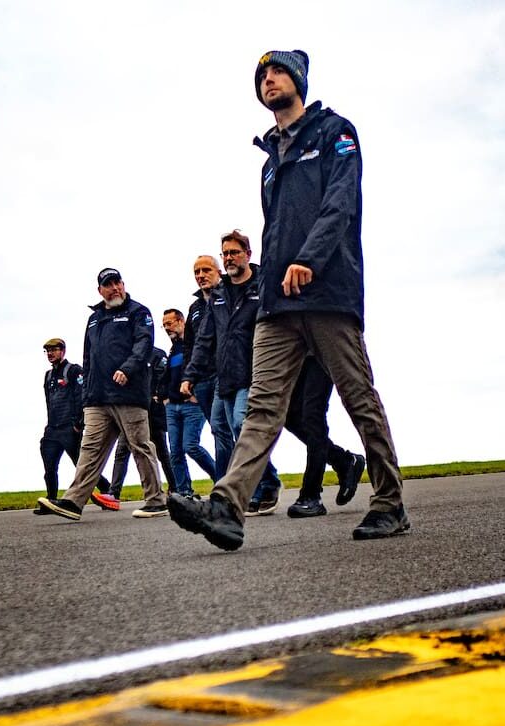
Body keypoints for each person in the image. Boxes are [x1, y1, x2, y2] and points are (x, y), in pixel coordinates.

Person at [168, 49, 410, 548]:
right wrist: (267, 283)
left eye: (277, 71)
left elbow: (340, 202)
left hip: (327, 293)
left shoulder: (334, 133)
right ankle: (227, 509)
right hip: (277, 303)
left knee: (358, 398)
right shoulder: (269, 161)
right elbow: (273, 229)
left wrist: (311, 259)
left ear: (298, 79)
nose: (268, 80)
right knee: (262, 407)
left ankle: (390, 502)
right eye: (261, 75)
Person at [38, 268, 168, 520]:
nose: (115, 288)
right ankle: (73, 502)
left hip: (128, 393)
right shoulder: (95, 318)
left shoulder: (138, 313)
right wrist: (87, 394)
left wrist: (127, 369)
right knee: (89, 449)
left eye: (117, 282)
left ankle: (155, 500)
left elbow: (143, 344)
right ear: (100, 290)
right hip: (98, 398)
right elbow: (88, 357)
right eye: (108, 284)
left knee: (140, 445)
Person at [182, 230, 281, 515]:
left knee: (242, 425)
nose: (229, 258)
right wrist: (191, 374)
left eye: (234, 252)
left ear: (248, 254)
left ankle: (266, 485)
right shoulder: (219, 295)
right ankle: (248, 486)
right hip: (224, 378)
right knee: (221, 428)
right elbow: (205, 338)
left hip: (253, 372)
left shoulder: (262, 285)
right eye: (225, 253)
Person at [36, 338, 118, 514]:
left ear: (62, 351)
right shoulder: (48, 376)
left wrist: (78, 424)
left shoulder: (74, 371)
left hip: (69, 428)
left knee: (82, 465)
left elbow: (81, 396)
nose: (50, 353)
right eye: (47, 351)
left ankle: (107, 491)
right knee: (49, 467)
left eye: (54, 350)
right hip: (52, 429)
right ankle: (51, 501)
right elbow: (48, 401)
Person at [285, 356, 365, 517]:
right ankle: (344, 461)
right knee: (290, 417)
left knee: (313, 415)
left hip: (320, 350)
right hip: (297, 352)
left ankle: (311, 494)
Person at [158, 308, 216, 498]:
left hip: (192, 405)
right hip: (172, 407)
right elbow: (167, 377)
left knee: (190, 446)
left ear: (182, 322)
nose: (167, 328)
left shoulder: (192, 346)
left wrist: (197, 394)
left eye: (170, 323)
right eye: (164, 324)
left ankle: (222, 480)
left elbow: (201, 367)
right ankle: (184, 491)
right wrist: (164, 396)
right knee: (175, 451)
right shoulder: (173, 350)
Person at [108, 345, 178, 498]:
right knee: (121, 451)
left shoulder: (158, 354)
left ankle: (175, 488)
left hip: (152, 413)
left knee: (162, 452)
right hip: (132, 411)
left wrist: (156, 395)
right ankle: (113, 493)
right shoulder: (127, 355)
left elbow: (163, 377)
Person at [184, 255, 234, 466]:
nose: (201, 276)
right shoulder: (195, 308)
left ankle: (226, 485)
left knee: (228, 427)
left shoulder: (229, 296)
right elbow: (190, 345)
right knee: (219, 430)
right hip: (202, 380)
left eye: (206, 270)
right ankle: (257, 482)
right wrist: (189, 378)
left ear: (218, 272)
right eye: (197, 272)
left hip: (224, 373)